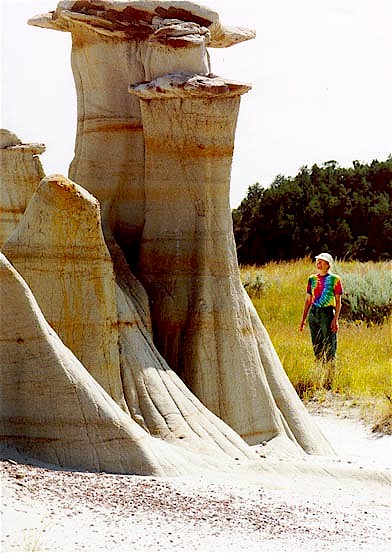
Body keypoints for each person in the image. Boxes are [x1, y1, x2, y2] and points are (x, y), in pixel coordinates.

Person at [300, 253, 343, 387]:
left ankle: (330, 380)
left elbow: (338, 301)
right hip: (314, 313)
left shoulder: (335, 279)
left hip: (327, 313)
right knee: (317, 345)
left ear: (328, 264)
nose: (318, 264)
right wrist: (303, 319)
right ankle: (318, 376)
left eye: (321, 262)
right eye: (317, 261)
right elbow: (308, 300)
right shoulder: (312, 279)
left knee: (330, 345)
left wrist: (335, 319)